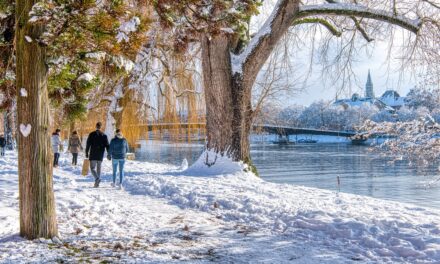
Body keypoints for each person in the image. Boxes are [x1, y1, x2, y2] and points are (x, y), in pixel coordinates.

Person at [86, 122, 109, 188]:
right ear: (101, 127)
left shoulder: (91, 134)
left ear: (96, 126)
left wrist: (86, 152)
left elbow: (88, 144)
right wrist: (108, 153)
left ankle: (97, 179)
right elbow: (107, 145)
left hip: (93, 154)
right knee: (98, 168)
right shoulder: (104, 135)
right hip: (100, 154)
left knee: (92, 168)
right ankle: (97, 184)